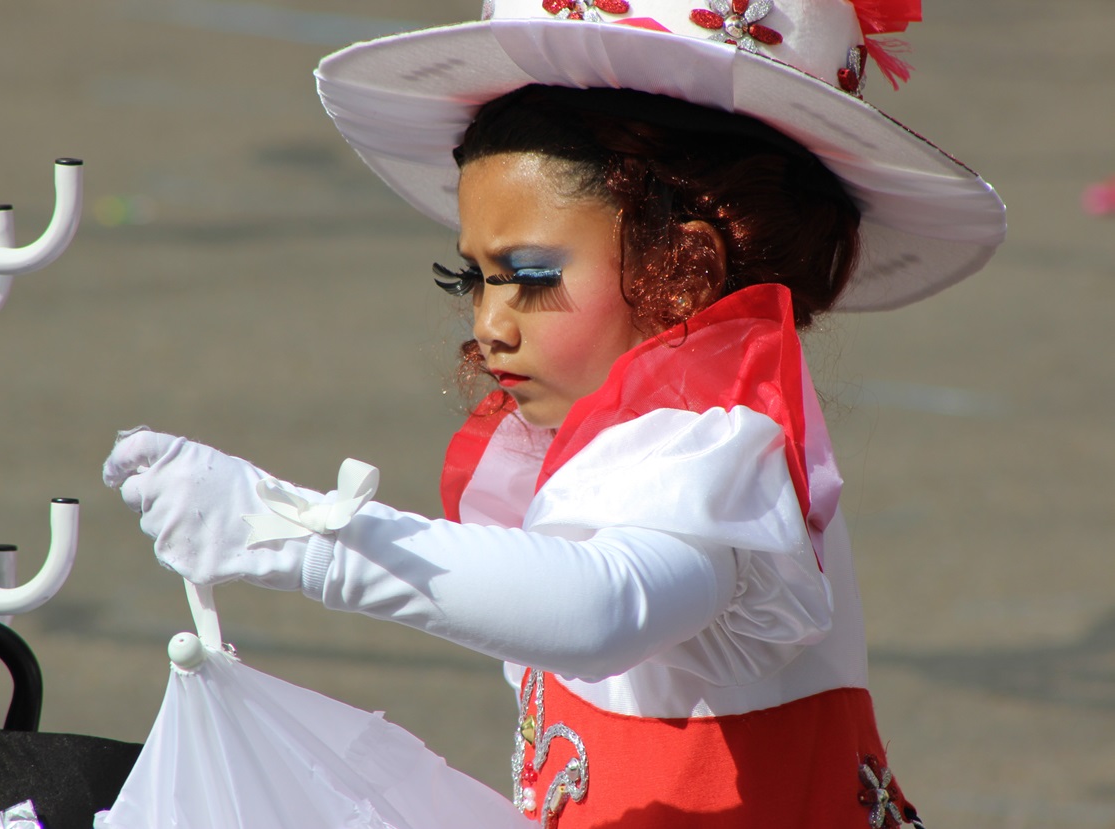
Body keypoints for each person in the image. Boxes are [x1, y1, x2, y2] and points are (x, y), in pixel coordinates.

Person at [103, 1, 1006, 826]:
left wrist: (289, 535)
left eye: (529, 277)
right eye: (473, 278)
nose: (489, 325)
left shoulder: (721, 444)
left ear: (679, 264)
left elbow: (603, 605)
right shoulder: (622, 439)